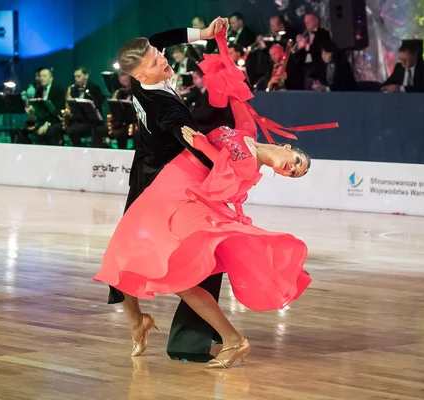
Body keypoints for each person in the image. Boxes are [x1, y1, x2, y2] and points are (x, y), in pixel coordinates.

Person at [94, 29, 337, 368]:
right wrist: (213, 43)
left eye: (293, 173)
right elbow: (236, 97)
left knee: (161, 267)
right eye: (296, 161)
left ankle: (223, 338)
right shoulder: (247, 133)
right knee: (125, 253)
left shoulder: (248, 168)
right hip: (160, 178)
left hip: (179, 187)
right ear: (286, 147)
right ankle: (142, 322)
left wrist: (198, 143)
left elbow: (209, 162)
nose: (290, 168)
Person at [105, 17, 230, 364]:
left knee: (126, 254)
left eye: (158, 54)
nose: (163, 58)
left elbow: (160, 38)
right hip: (161, 187)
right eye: (155, 60)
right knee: (190, 256)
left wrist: (203, 35)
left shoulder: (145, 82)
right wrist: (223, 167)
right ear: (142, 75)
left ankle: (145, 324)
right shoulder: (166, 107)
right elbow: (188, 139)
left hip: (147, 175)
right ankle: (173, 331)